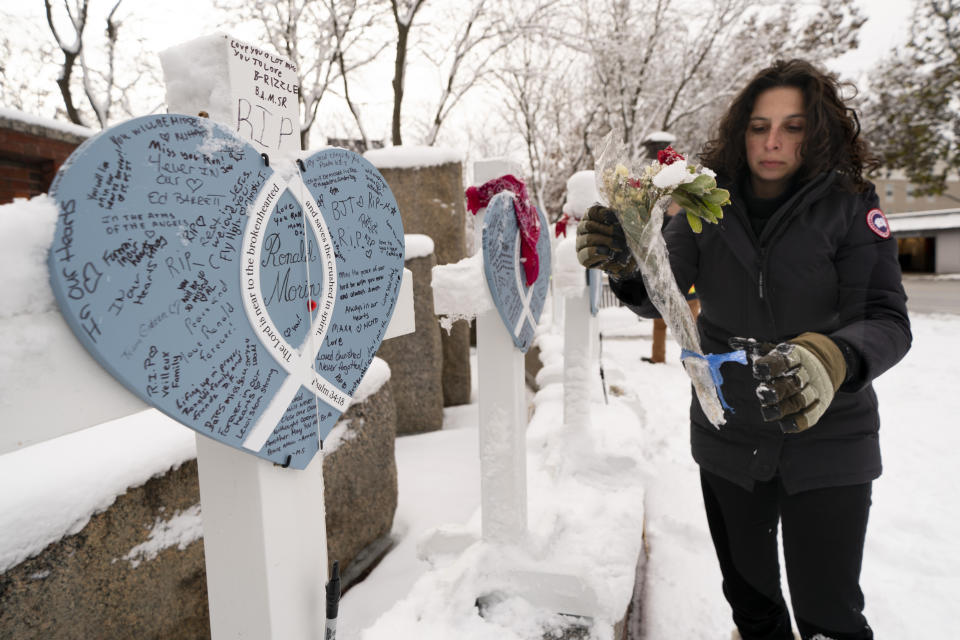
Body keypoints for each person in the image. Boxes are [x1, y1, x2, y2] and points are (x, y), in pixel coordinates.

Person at [576, 59, 911, 640]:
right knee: (752, 607)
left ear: (820, 131)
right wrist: (631, 267)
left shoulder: (850, 204)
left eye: (793, 126)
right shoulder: (709, 205)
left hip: (830, 434)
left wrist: (833, 359)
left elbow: (884, 317)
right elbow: (667, 293)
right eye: (759, 126)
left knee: (828, 616)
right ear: (742, 131)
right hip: (728, 433)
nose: (773, 141)